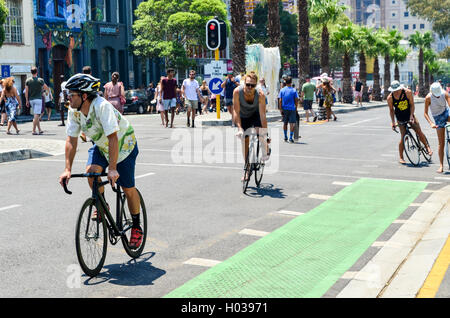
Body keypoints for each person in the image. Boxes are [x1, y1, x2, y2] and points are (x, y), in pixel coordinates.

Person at [59, 73, 143, 249]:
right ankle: (103, 205)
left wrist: (112, 169)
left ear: (83, 96)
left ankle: (136, 226)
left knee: (128, 189)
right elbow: (71, 140)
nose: (68, 97)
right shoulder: (73, 111)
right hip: (102, 145)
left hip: (123, 145)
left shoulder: (101, 106)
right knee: (91, 172)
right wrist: (67, 169)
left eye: (71, 94)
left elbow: (113, 138)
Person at [234, 72, 269, 180]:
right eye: (248, 84)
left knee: (261, 134)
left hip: (255, 115)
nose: (250, 87)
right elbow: (236, 111)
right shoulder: (237, 92)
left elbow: (263, 116)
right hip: (243, 116)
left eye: (252, 85)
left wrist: (265, 133)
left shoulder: (260, 95)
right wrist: (239, 128)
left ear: (256, 85)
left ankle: (266, 149)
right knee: (244, 140)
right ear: (244, 83)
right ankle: (247, 169)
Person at [387, 80, 432, 164]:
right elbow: (391, 111)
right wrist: (393, 122)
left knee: (418, 131)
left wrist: (411, 116)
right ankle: (401, 157)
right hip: (400, 117)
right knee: (403, 136)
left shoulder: (407, 92)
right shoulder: (390, 98)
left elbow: (412, 105)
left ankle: (427, 147)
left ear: (400, 88)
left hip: (409, 114)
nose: (396, 92)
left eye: (397, 90)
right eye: (394, 91)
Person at [424, 82, 450, 173]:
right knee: (441, 143)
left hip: (446, 112)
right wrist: (431, 123)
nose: (438, 96)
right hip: (438, 118)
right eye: (436, 95)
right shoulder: (428, 98)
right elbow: (425, 113)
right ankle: (441, 166)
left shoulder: (444, 93)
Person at [25, 66, 48, 134]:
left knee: (36, 115)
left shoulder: (28, 80)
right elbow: (46, 87)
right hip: (38, 99)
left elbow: (26, 91)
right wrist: (43, 90)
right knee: (36, 115)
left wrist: (26, 100)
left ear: (31, 72)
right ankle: (34, 130)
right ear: (37, 72)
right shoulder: (40, 80)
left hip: (31, 99)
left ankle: (39, 129)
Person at [278, 76, 299, 143]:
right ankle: (290, 137)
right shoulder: (294, 90)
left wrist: (280, 109)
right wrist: (296, 107)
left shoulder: (282, 90)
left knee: (285, 123)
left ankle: (285, 136)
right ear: (291, 82)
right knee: (292, 123)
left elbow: (280, 100)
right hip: (292, 108)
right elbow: (296, 99)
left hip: (284, 109)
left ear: (285, 82)